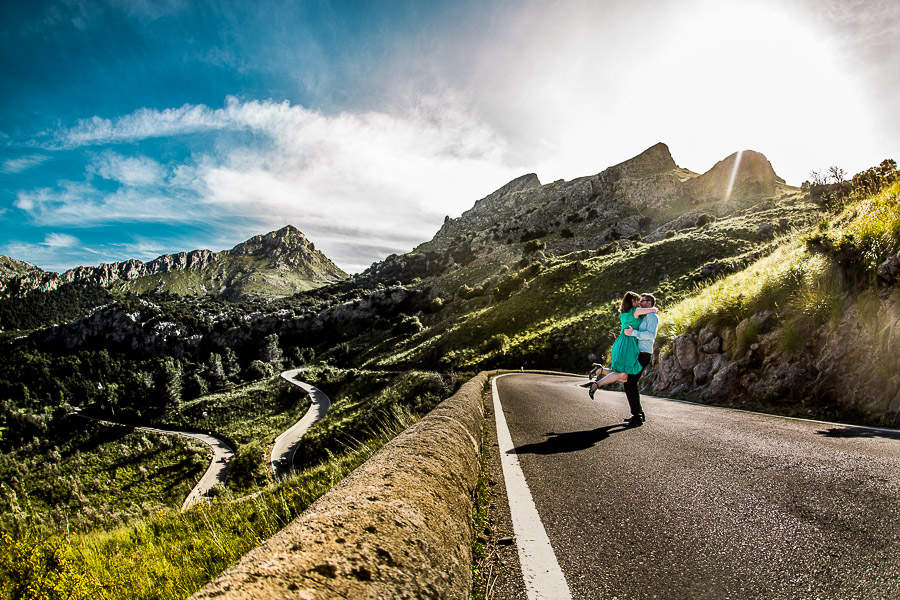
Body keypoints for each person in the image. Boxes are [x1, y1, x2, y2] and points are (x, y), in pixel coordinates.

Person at [588, 292, 659, 427]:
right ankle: (638, 414)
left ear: (649, 303)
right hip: (635, 353)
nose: (640, 302)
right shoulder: (641, 315)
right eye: (640, 300)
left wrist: (634, 333)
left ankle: (637, 417)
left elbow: (651, 335)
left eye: (643, 301)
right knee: (626, 379)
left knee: (630, 383)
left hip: (643, 354)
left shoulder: (652, 317)